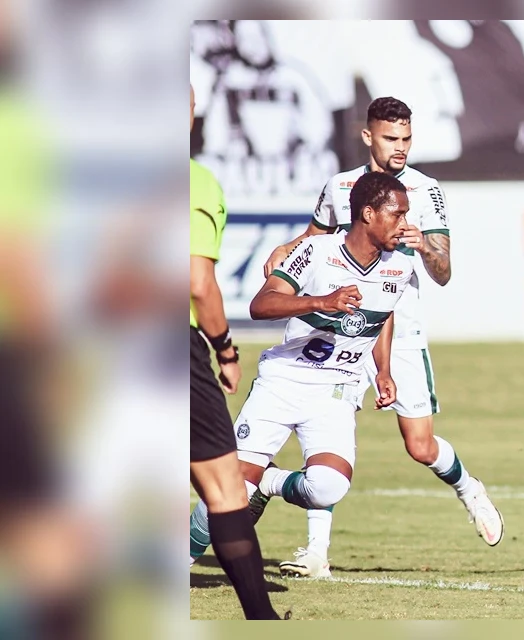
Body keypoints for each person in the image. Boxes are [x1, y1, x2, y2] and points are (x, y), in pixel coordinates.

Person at [261, 96, 502, 577]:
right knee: (322, 429)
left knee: (420, 445)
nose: (401, 148)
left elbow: (444, 271)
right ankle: (316, 552)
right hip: (339, 327)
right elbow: (315, 239)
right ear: (368, 135)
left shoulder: (426, 190)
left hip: (397, 326)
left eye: (407, 138)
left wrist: (425, 245)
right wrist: (286, 248)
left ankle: (467, 487)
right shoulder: (341, 186)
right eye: (392, 138)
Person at [188, 170, 415, 583]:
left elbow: (383, 315)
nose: (405, 224)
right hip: (283, 382)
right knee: (224, 497)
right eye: (397, 214)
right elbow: (261, 303)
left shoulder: (400, 265)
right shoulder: (315, 250)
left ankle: (270, 482)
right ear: (368, 213)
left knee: (328, 488)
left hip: (335, 389)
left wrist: (383, 371)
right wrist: (323, 301)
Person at [188, 85, 283, 619]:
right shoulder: (193, 182)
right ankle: (262, 620)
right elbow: (199, 282)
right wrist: (224, 347)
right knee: (225, 489)